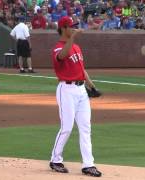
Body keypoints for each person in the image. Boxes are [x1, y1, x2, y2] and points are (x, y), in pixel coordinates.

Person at [49, 16, 102, 177]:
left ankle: (88, 165)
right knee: (66, 127)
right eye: (71, 26)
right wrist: (72, 38)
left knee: (86, 128)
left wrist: (91, 86)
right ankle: (55, 160)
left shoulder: (77, 48)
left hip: (81, 91)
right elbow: (62, 56)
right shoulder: (58, 48)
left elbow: (82, 69)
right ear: (64, 28)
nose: (74, 28)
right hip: (66, 90)